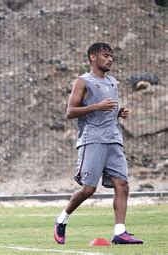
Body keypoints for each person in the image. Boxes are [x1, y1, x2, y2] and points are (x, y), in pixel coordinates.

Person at [53, 43, 143, 245]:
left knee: (122, 185)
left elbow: (106, 110)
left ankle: (120, 232)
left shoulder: (112, 82)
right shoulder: (83, 81)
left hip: (114, 139)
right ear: (93, 57)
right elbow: (70, 112)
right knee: (88, 189)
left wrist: (118, 113)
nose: (110, 59)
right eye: (105, 55)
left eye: (111, 56)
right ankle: (61, 219)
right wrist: (98, 106)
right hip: (92, 140)